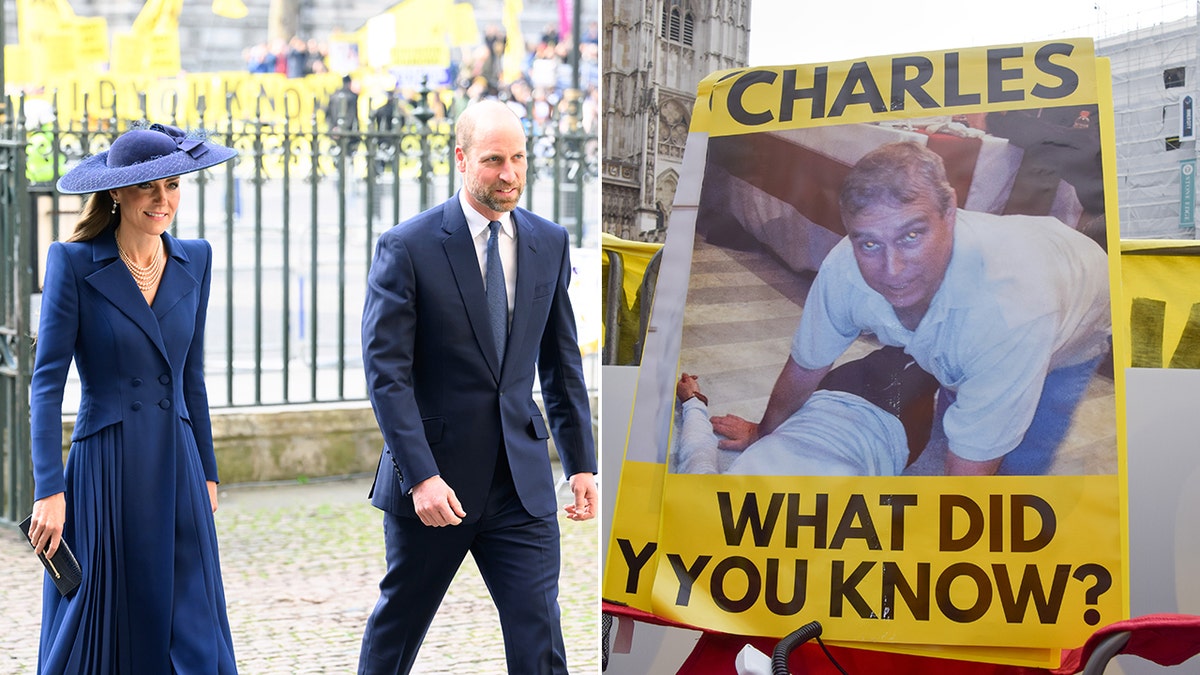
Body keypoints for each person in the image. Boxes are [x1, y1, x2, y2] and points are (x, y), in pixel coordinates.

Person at [357, 99, 598, 674]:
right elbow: (386, 375)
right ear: (462, 159)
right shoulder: (408, 246)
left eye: (518, 158)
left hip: (522, 486)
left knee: (540, 637)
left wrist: (581, 463)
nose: (509, 174)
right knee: (399, 629)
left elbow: (561, 364)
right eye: (494, 160)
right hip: (436, 488)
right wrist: (420, 477)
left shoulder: (550, 242)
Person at [716, 141, 1111, 476]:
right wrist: (763, 435)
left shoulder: (1008, 312)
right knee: (956, 420)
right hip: (1004, 298)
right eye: (870, 243)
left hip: (1077, 312)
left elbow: (968, 477)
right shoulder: (845, 267)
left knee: (1017, 466)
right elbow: (805, 368)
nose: (893, 271)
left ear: (950, 212)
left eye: (911, 235)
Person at [25, 122, 239, 673]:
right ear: (117, 192)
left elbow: (192, 376)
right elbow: (46, 383)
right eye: (148, 187)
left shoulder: (197, 258)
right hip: (107, 467)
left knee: (190, 618)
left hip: (179, 462)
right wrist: (49, 490)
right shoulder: (73, 262)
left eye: (172, 185)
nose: (162, 200)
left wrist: (209, 473)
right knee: (104, 616)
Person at [675, 346, 939, 476]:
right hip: (889, 427)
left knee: (898, 347)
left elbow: (697, 451)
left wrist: (693, 401)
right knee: (937, 354)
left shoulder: (710, 510)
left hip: (826, 401)